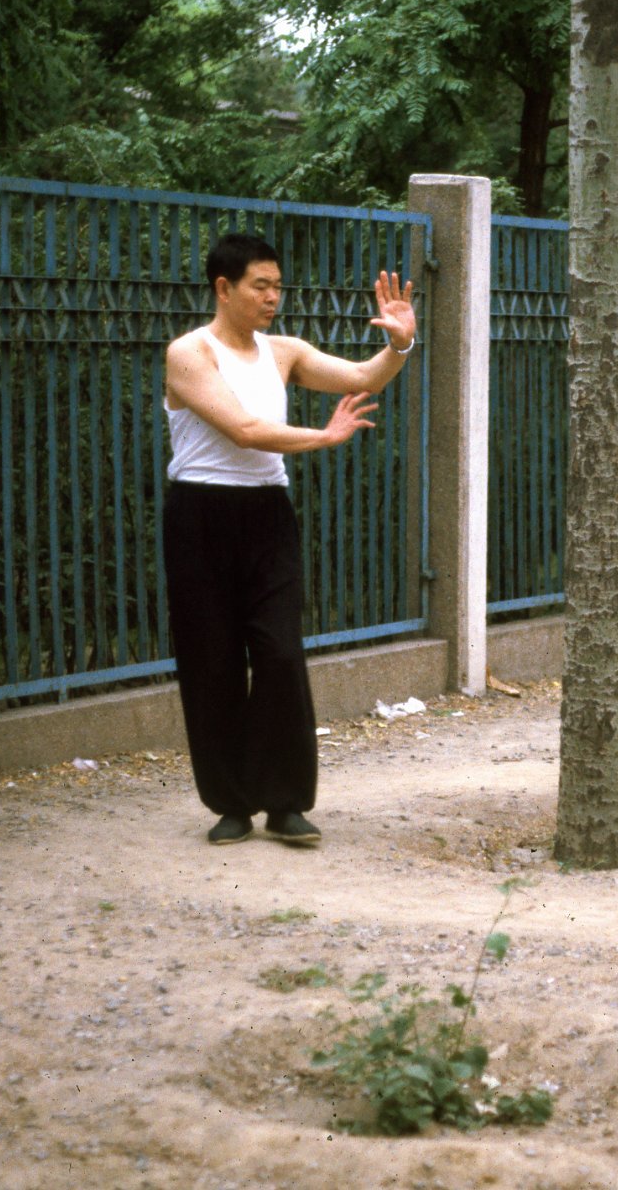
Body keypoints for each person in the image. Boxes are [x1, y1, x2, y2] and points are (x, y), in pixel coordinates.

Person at [162, 232, 416, 846]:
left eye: (278, 286)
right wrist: (323, 438)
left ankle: (285, 803)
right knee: (213, 660)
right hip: (200, 514)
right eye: (261, 286)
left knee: (279, 653)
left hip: (267, 515)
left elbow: (364, 376)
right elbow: (245, 431)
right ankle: (231, 804)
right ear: (224, 288)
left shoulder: (284, 351)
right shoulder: (189, 353)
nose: (273, 297)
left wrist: (400, 343)